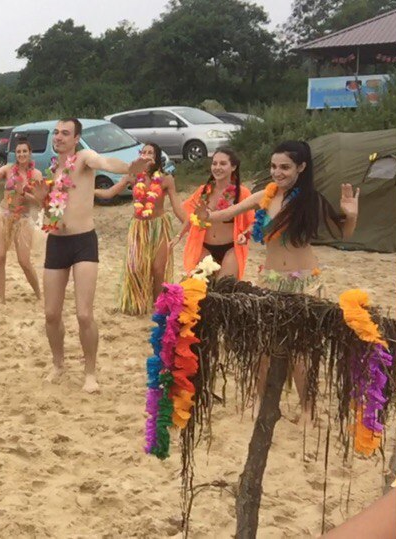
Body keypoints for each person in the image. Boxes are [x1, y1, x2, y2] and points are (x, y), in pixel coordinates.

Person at [199, 140, 359, 421]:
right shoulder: (266, 195)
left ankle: (307, 409)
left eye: (285, 167)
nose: (277, 172)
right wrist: (205, 215)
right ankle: (262, 402)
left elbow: (344, 233)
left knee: (301, 351)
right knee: (262, 347)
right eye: (273, 166)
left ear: (301, 167)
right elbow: (227, 213)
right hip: (270, 281)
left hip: (304, 282)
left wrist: (351, 215)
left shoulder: (310, 200)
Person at [34, 118, 149, 390]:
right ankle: (58, 364)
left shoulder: (84, 158)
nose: (59, 137)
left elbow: (105, 162)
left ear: (76, 139)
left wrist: (129, 168)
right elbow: (52, 212)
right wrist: (41, 198)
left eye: (65, 133)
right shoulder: (53, 169)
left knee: (84, 314)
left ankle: (90, 373)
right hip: (56, 243)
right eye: (56, 133)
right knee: (51, 314)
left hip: (83, 242)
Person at [96, 142, 187, 315]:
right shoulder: (132, 177)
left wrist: (189, 224)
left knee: (158, 269)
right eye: (143, 152)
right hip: (138, 228)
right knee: (136, 268)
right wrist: (88, 191)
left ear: (156, 158)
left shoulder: (166, 179)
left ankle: (158, 307)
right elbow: (110, 193)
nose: (145, 155)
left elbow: (177, 207)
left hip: (160, 226)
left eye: (150, 152)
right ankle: (138, 302)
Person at [0, 138, 43, 303]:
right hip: (3, 215)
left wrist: (23, 193)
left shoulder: (36, 174)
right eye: (18, 151)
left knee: (24, 261)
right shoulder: (8, 169)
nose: (21, 154)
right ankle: (2, 299)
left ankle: (38, 294)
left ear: (30, 153)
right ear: (15, 153)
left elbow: (39, 202)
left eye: (24, 151)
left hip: (23, 219)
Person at [174, 147, 254, 278]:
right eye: (214, 163)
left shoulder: (242, 193)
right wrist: (178, 236)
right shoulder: (203, 191)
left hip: (231, 248)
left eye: (223, 164)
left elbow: (253, 221)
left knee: (224, 288)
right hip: (204, 247)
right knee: (203, 288)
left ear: (233, 167)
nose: (217, 167)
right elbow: (188, 216)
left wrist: (245, 234)